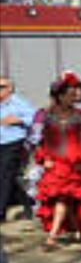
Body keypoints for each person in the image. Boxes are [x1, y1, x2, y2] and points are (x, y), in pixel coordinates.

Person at [31, 73, 81, 246]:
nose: (75, 95)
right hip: (55, 164)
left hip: (75, 164)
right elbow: (34, 139)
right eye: (70, 93)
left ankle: (72, 231)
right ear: (59, 96)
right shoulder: (43, 115)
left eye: (75, 92)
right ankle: (56, 234)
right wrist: (42, 159)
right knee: (62, 197)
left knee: (68, 198)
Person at [0, 76, 36, 220]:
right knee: (8, 176)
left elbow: (35, 118)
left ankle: (1, 211)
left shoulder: (19, 103)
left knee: (5, 174)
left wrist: (19, 120)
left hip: (13, 142)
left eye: (1, 87)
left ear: (10, 89)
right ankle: (27, 200)